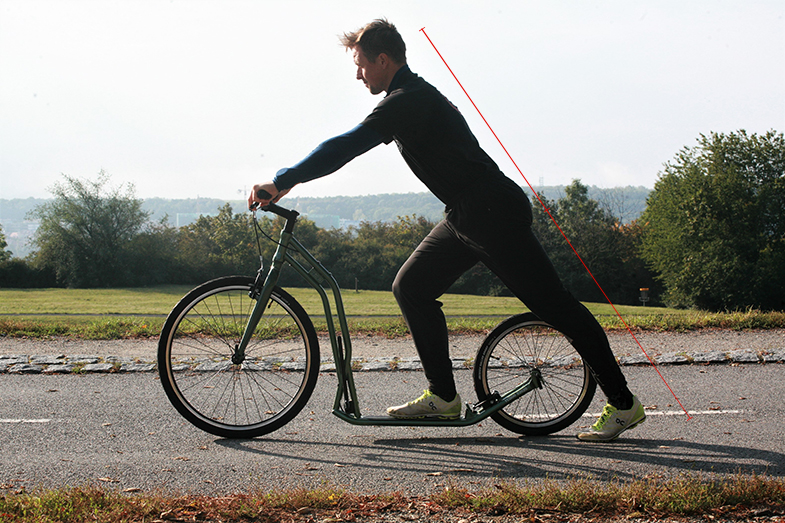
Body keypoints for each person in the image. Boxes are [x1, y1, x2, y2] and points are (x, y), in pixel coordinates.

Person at [248, 19, 645, 441]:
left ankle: (622, 404)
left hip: (490, 212)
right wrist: (289, 180)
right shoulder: (413, 95)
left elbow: (347, 145)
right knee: (411, 287)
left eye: (361, 64)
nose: (357, 73)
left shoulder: (407, 100)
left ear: (383, 60)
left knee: (557, 307)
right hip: (467, 213)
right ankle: (443, 397)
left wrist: (285, 177)